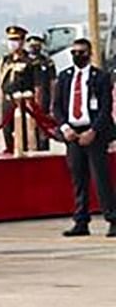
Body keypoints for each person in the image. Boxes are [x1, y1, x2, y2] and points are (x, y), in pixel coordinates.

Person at [51, 38, 116, 238]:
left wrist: (93, 131)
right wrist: (65, 128)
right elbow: (57, 107)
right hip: (72, 132)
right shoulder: (65, 77)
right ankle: (81, 220)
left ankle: (112, 218)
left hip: (93, 133)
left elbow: (105, 108)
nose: (78, 56)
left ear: (89, 54)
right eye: (74, 52)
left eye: (82, 52)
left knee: (101, 178)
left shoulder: (101, 77)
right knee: (78, 178)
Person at [0, 25, 37, 152]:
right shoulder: (5, 59)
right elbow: (2, 81)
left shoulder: (29, 61)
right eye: (10, 40)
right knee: (7, 129)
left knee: (23, 130)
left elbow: (35, 84)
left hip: (23, 100)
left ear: (22, 41)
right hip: (8, 99)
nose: (13, 43)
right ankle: (9, 150)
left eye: (16, 40)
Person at [27, 34, 56, 152]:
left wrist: (53, 102)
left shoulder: (47, 62)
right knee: (29, 129)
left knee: (43, 131)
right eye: (32, 45)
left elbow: (53, 82)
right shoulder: (25, 62)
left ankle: (43, 149)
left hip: (44, 100)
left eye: (37, 45)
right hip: (28, 100)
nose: (34, 48)